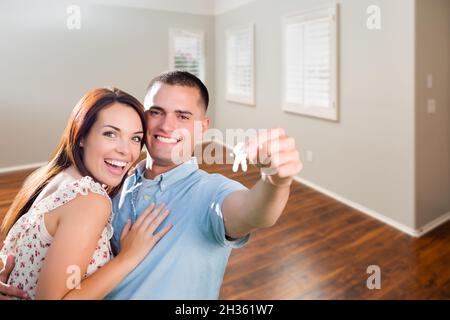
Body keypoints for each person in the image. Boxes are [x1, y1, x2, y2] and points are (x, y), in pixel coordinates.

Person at [103, 71, 302, 299]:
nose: (167, 126)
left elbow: (254, 213)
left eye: (183, 116)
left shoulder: (211, 192)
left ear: (203, 127)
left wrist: (275, 181)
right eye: (156, 112)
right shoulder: (121, 179)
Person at [0, 88, 171, 299]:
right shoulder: (90, 201)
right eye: (110, 134)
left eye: (135, 139)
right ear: (81, 137)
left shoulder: (55, 177)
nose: (126, 151)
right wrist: (128, 257)